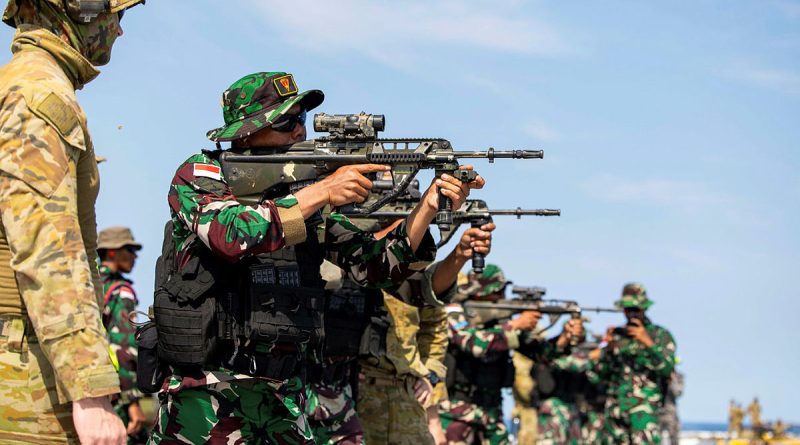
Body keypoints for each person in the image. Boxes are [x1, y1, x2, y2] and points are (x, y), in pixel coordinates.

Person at [149, 71, 482, 444]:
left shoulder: (304, 197)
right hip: (209, 390)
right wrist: (322, 191)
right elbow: (230, 235)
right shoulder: (201, 173)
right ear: (245, 132)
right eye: (287, 121)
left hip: (285, 395)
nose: (299, 132)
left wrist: (428, 209)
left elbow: (374, 264)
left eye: (302, 121)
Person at [0, 0, 144, 444]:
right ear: (81, 11)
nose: (119, 32)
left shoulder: (20, 85)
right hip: (25, 365)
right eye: (116, 16)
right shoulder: (39, 95)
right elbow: (47, 246)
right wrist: (90, 391)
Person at [357, 223, 496, 445]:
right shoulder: (352, 256)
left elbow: (435, 326)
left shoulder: (413, 269)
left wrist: (430, 375)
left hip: (406, 395)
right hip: (355, 392)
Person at [439, 265, 583, 445]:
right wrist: (515, 325)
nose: (502, 297)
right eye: (497, 293)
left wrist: (564, 338)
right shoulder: (455, 314)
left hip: (492, 412)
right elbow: (475, 344)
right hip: (457, 411)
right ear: (478, 293)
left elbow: (541, 353)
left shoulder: (503, 322)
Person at [588, 283, 676, 445]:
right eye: (629, 310)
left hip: (643, 411)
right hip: (615, 410)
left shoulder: (660, 335)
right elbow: (598, 375)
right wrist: (607, 347)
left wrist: (647, 342)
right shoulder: (618, 336)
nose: (632, 314)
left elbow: (667, 369)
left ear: (644, 309)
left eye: (636, 309)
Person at [97, 226, 148, 444]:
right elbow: (124, 349)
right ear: (111, 252)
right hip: (116, 395)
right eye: (129, 249)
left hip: (90, 389)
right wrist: (132, 403)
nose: (135, 256)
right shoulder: (121, 291)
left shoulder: (90, 284)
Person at [658, 369, 683, 445]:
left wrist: (672, 380)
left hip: (670, 413)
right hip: (657, 411)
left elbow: (677, 393)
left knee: (674, 438)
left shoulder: (678, 377)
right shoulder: (657, 376)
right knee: (656, 438)